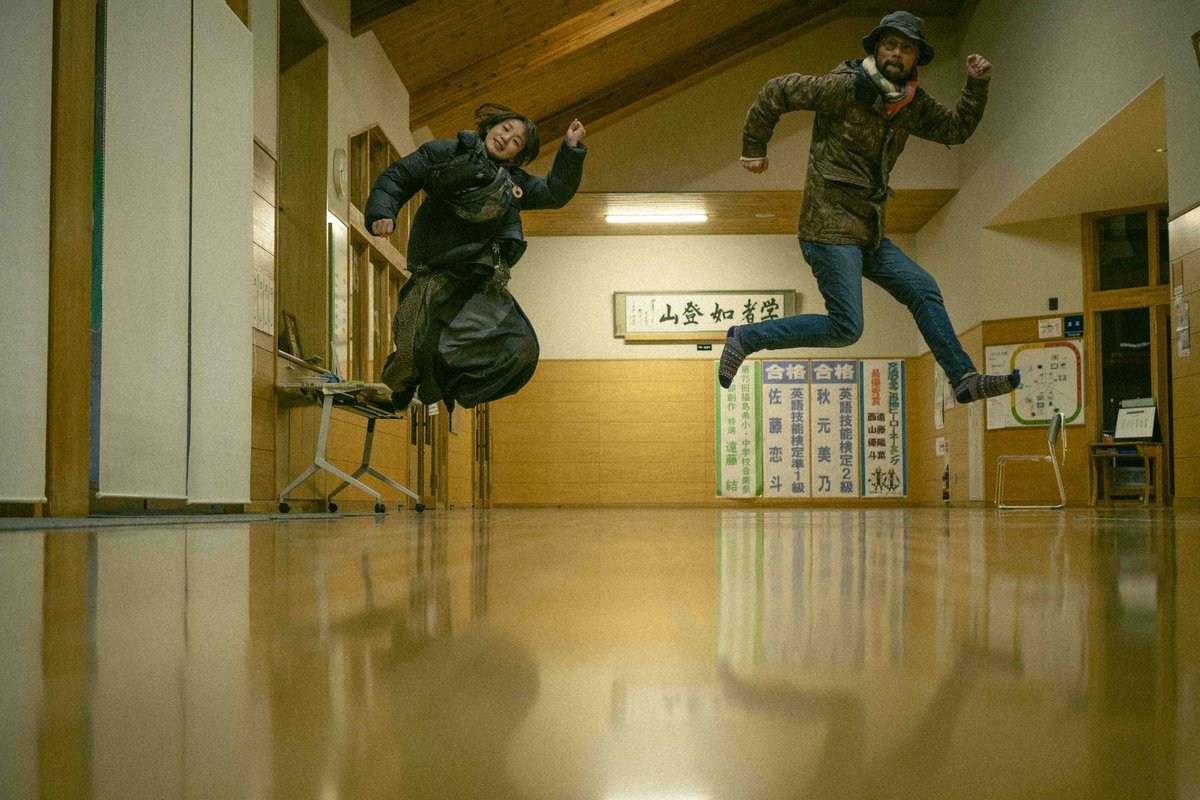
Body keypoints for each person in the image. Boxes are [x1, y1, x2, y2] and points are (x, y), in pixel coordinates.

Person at [718, 11, 1019, 405]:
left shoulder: (912, 104)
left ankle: (962, 378)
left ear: (915, 58)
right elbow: (778, 91)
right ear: (877, 48)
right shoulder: (845, 86)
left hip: (868, 232)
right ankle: (745, 338)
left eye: (906, 48)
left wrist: (977, 85)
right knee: (847, 327)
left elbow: (956, 129)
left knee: (923, 290)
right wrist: (753, 147)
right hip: (828, 227)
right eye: (890, 45)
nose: (896, 53)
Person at [365, 103, 586, 408]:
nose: (506, 139)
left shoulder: (513, 183)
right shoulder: (444, 153)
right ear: (490, 127)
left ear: (516, 155)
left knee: (519, 347)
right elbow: (398, 177)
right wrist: (382, 212)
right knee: (412, 347)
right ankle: (399, 391)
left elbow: (554, 192)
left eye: (516, 142)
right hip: (435, 269)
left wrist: (570, 149)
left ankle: (447, 383)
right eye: (505, 129)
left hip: (477, 279)